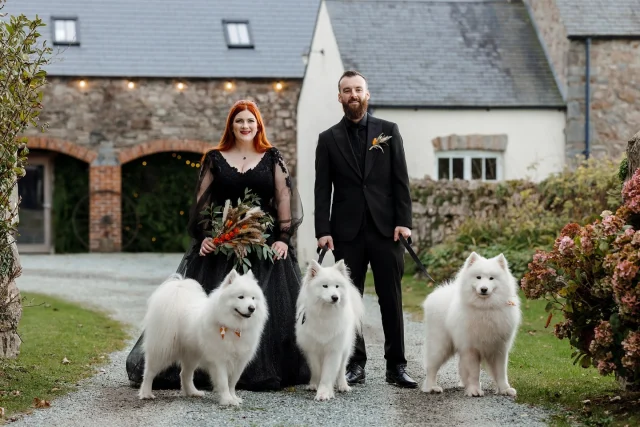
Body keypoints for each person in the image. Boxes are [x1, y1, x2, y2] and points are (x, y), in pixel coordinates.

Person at [126, 100, 310, 391]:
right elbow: (202, 203)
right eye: (240, 121)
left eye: (251, 121)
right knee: (206, 313)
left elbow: (283, 197)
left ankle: (254, 370)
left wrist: (283, 239)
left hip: (263, 245)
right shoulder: (215, 158)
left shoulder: (272, 157)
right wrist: (205, 237)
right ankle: (201, 370)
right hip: (221, 247)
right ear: (231, 126)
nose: (245, 126)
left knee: (264, 309)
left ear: (258, 125)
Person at [314, 70, 418, 388]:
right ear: (340, 96)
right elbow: (322, 190)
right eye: (347, 90)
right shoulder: (327, 139)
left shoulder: (389, 131)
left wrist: (404, 221)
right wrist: (323, 229)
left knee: (391, 298)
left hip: (387, 230)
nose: (353, 95)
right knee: (347, 301)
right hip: (346, 233)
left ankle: (396, 366)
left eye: (358, 89)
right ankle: (355, 364)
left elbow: (400, 180)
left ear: (367, 94)